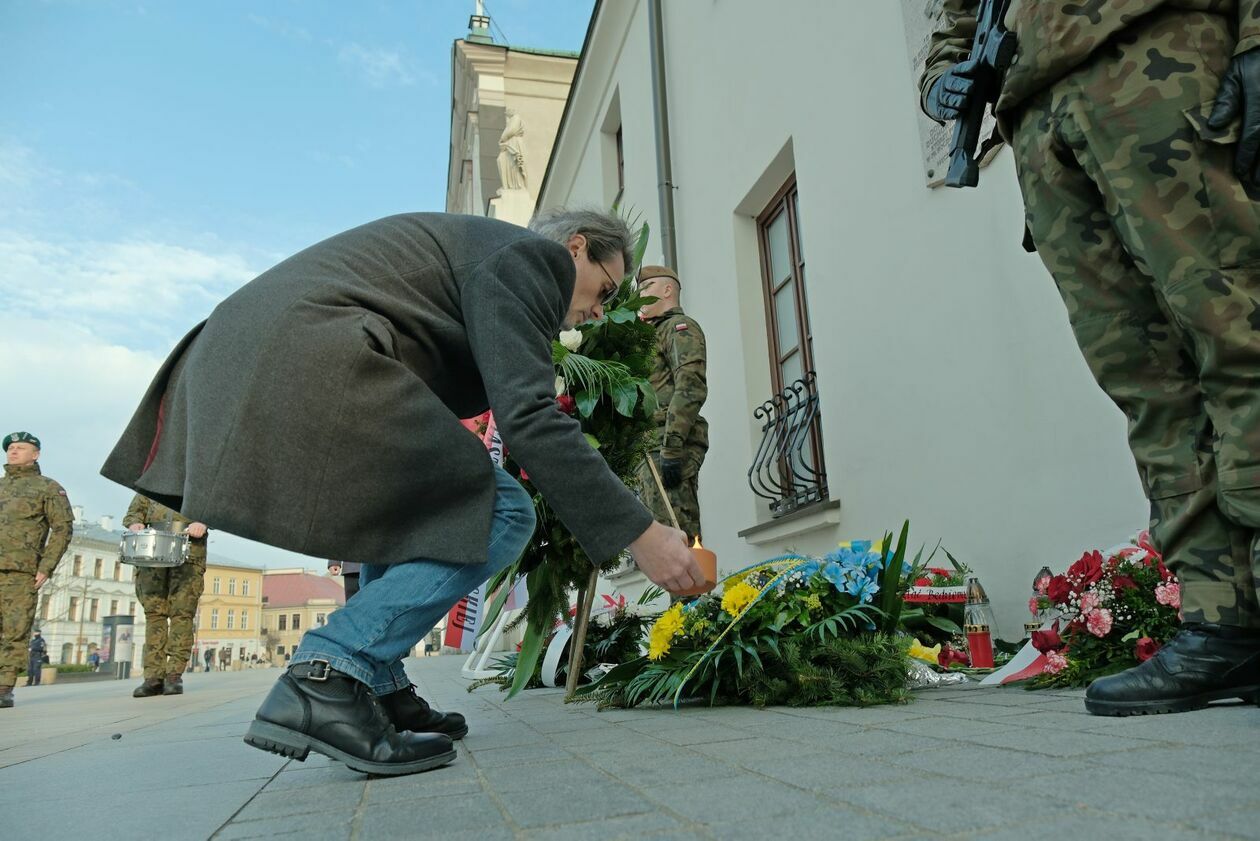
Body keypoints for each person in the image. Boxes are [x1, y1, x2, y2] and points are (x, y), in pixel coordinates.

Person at [101, 210, 703, 776]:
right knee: (500, 511)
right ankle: (330, 670)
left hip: (269, 352)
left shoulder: (491, 257)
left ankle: (376, 683)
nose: (599, 313)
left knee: (424, 505)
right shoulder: (531, 259)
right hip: (310, 351)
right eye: (603, 290)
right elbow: (531, 416)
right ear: (576, 248)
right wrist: (640, 532)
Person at [921, 2, 1260, 716]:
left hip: (1158, 53)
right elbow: (956, 17)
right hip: (1039, 116)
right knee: (1149, 389)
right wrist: (942, 77)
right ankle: (1222, 624)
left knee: (1240, 338)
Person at [635, 266, 708, 544]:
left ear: (667, 290)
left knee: (679, 538)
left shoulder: (680, 329)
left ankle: (690, 590)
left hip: (667, 446)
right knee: (663, 540)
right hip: (651, 446)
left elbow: (690, 387)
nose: (639, 295)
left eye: (646, 287)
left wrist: (672, 445)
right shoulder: (652, 334)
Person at [0, 432, 73, 709]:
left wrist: (46, 567)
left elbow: (63, 529)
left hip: (22, 572)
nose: (13, 452)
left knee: (14, 630)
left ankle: (4, 687)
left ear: (36, 454)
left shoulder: (48, 488)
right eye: (10, 448)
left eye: (20, 448)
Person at [123, 494, 207, 697]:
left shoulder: (198, 478)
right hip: (152, 553)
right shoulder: (155, 479)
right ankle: (153, 677)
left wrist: (202, 522)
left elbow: (214, 507)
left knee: (181, 614)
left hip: (187, 552)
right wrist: (135, 523)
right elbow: (134, 511)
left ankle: (174, 676)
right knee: (154, 614)